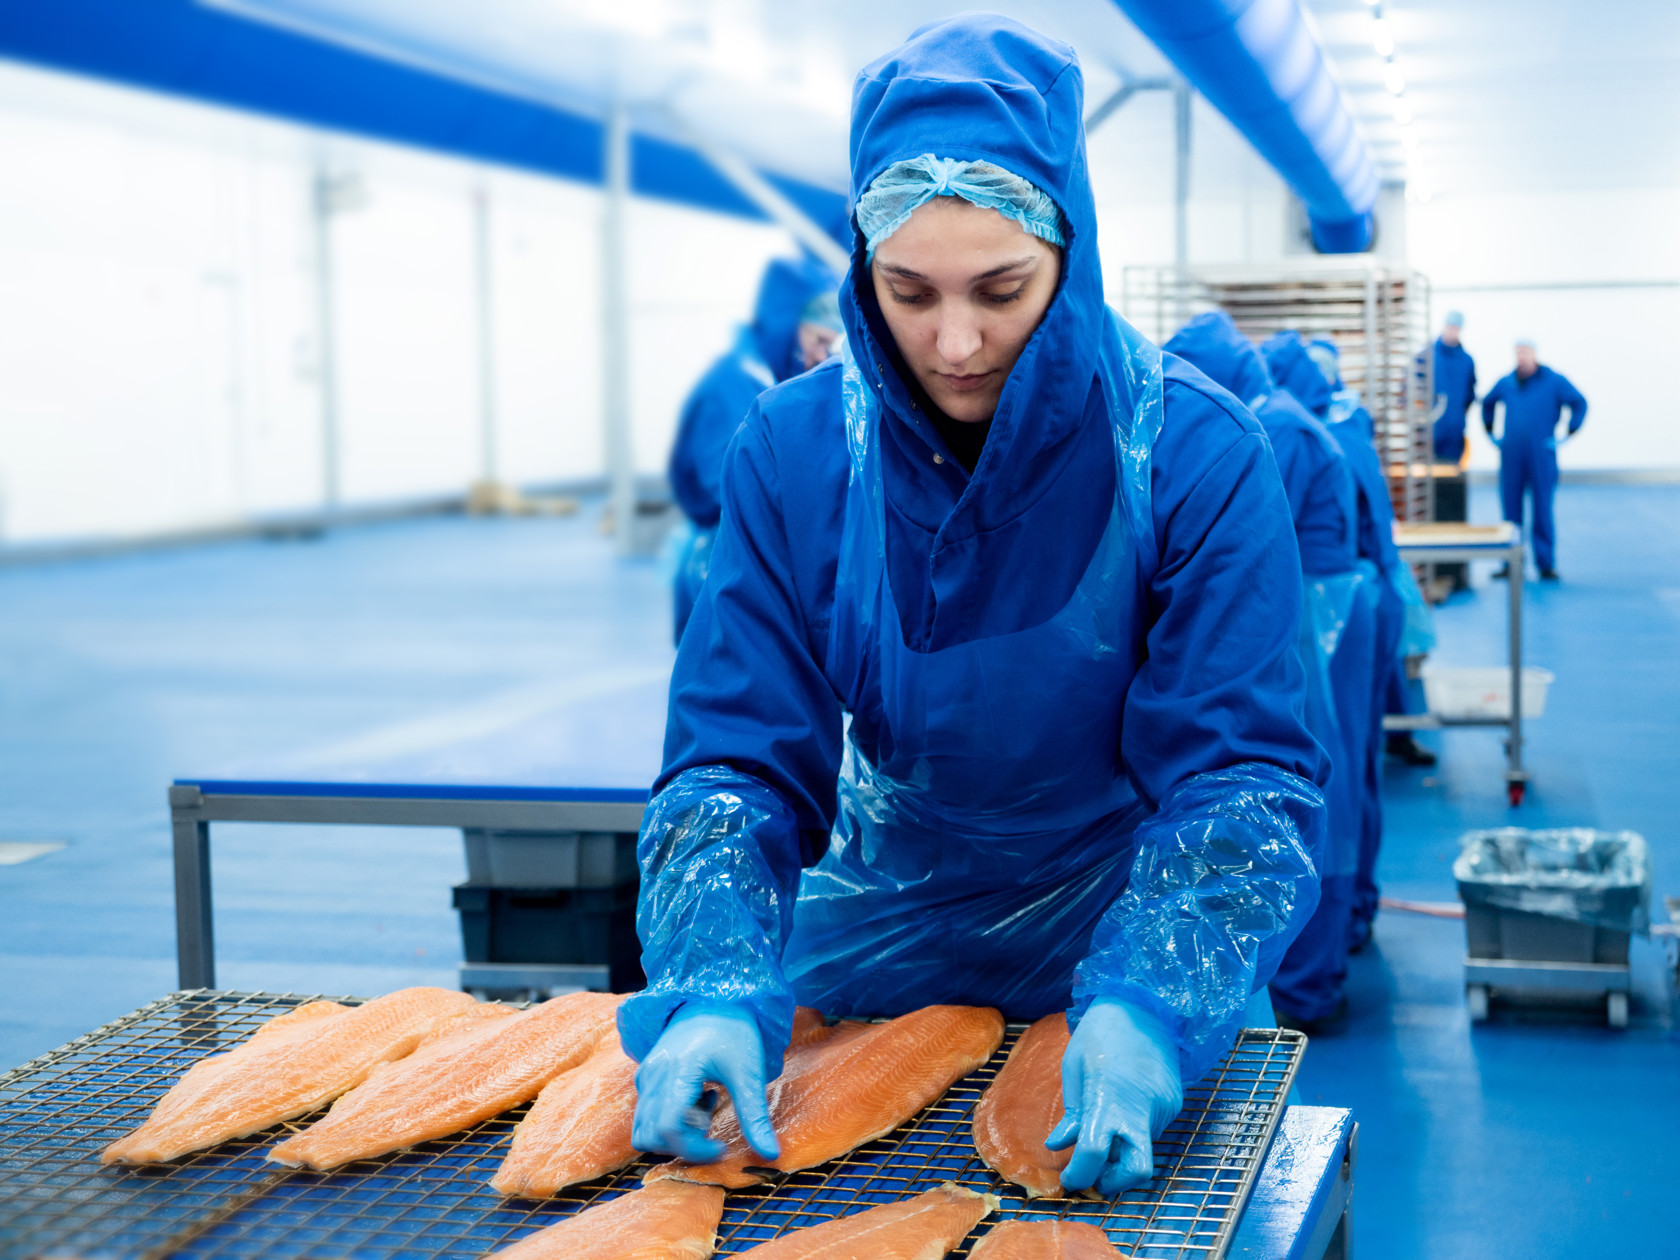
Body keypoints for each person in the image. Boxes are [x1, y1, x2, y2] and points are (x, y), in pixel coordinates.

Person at [619, 15, 1329, 1200]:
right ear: (862, 272)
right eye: (908, 292)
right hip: (877, 946)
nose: (956, 343)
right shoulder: (797, 453)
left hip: (1134, 941)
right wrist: (715, 980)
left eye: (1003, 290)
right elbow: (737, 755)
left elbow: (1240, 771)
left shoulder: (1192, 454)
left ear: (1070, 253)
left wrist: (1155, 1000)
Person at [668, 256, 840, 642]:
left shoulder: (777, 382)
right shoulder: (731, 388)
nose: (823, 356)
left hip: (761, 555)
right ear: (785, 328)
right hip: (725, 560)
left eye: (832, 345)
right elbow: (733, 490)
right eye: (818, 340)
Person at [1481, 339, 1587, 581]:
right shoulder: (1507, 382)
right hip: (1512, 456)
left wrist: (1569, 431)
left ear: (1534, 354)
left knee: (1542, 510)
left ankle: (1545, 564)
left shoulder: (1554, 381)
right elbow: (1488, 403)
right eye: (1518, 352)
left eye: (1526, 352)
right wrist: (1490, 430)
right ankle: (1511, 563)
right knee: (1510, 512)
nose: (1522, 357)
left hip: (1541, 455)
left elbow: (1579, 403)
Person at [1432, 312, 1476, 463]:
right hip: (1426, 436)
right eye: (1450, 326)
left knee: (1450, 474)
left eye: (1456, 328)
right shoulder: (1426, 357)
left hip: (1454, 436)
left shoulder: (1466, 361)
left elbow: (1469, 396)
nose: (1452, 331)